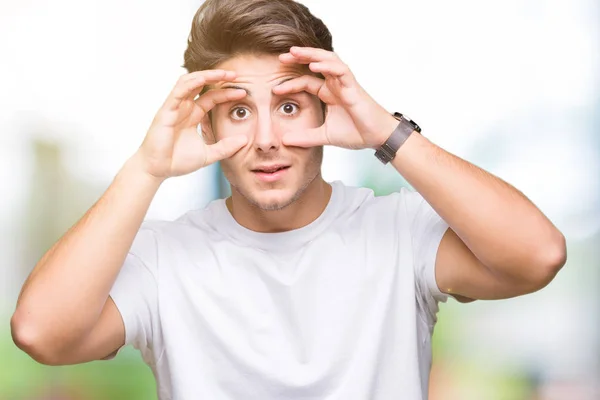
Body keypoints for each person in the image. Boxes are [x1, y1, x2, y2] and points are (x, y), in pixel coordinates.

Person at [11, 0, 567, 399]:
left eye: (289, 106)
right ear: (206, 128)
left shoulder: (399, 231)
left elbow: (538, 255)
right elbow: (41, 333)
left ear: (326, 110)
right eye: (237, 111)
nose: (266, 140)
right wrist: (146, 169)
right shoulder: (163, 259)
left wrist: (386, 131)